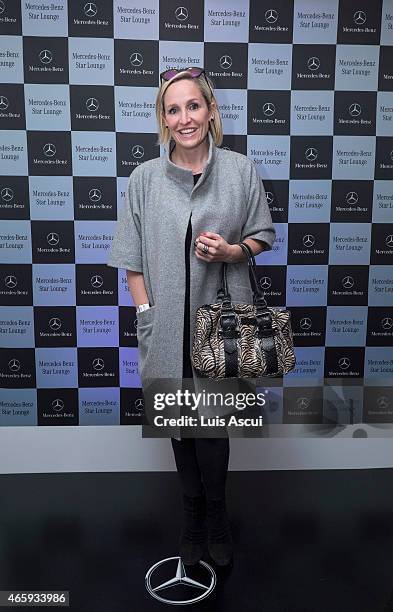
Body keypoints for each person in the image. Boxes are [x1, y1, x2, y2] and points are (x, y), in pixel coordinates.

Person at [107, 67, 275, 568]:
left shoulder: (241, 171)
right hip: (167, 331)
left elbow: (263, 236)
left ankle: (218, 518)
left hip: (222, 327)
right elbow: (131, 260)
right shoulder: (144, 179)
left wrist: (230, 251)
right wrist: (146, 312)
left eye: (193, 106)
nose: (185, 118)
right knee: (180, 430)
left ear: (210, 111)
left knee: (214, 430)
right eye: (174, 109)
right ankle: (193, 520)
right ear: (164, 118)